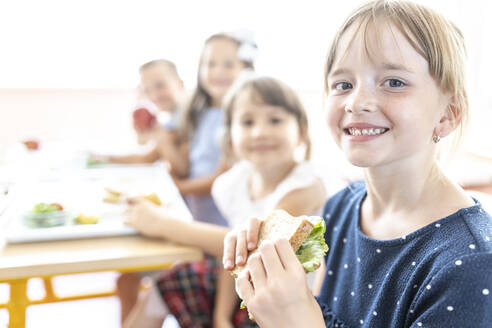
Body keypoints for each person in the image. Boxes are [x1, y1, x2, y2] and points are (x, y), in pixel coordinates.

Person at [223, 1, 492, 327]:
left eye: (394, 82)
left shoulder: (470, 264)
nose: (357, 102)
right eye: (343, 84)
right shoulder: (340, 207)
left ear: (448, 114)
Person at [124, 75, 327, 327]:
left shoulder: (306, 186)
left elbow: (253, 249)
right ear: (230, 138)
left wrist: (164, 224)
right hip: (247, 287)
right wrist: (221, 316)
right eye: (247, 121)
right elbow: (232, 260)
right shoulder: (233, 184)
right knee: (164, 285)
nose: (260, 132)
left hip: (289, 307)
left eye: (275, 120)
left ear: (301, 132)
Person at [122, 31, 257, 328]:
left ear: (246, 70)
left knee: (145, 280)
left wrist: (175, 188)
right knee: (128, 277)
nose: (217, 72)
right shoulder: (201, 112)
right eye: (210, 64)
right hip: (194, 222)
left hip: (217, 235)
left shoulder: (242, 119)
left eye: (227, 64)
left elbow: (219, 178)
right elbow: (182, 164)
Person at [90, 59, 185, 165]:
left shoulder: (191, 117)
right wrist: (104, 158)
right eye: (147, 90)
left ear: (180, 84)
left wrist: (159, 137)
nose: (154, 95)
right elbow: (146, 158)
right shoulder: (171, 121)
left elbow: (183, 169)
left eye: (160, 86)